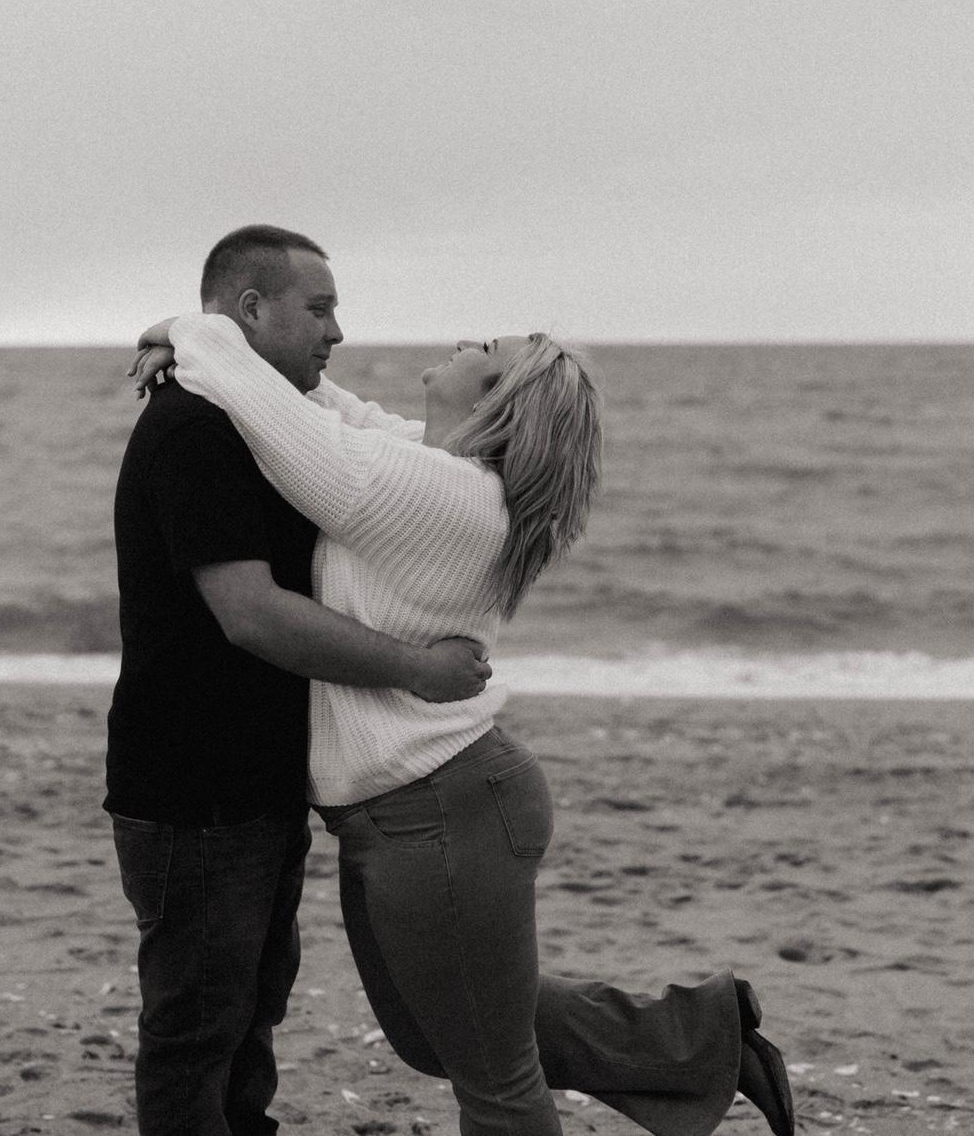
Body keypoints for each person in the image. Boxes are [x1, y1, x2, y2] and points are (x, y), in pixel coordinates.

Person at [129, 302, 797, 1136]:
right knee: (431, 1037)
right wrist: (206, 341)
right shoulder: (433, 471)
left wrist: (194, 332)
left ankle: (699, 1044)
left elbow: (292, 428)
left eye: (484, 348)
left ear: (497, 399)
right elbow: (336, 414)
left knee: (495, 1079)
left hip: (443, 808)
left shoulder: (441, 496)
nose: (462, 341)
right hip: (407, 809)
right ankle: (698, 1042)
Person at [108, 224, 494, 1136]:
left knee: (250, 1014)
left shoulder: (271, 420)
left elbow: (400, 455)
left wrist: (183, 331)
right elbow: (251, 612)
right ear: (251, 311)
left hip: (259, 776)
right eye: (319, 310)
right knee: (198, 1027)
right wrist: (418, 669)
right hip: (193, 785)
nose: (338, 331)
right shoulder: (195, 430)